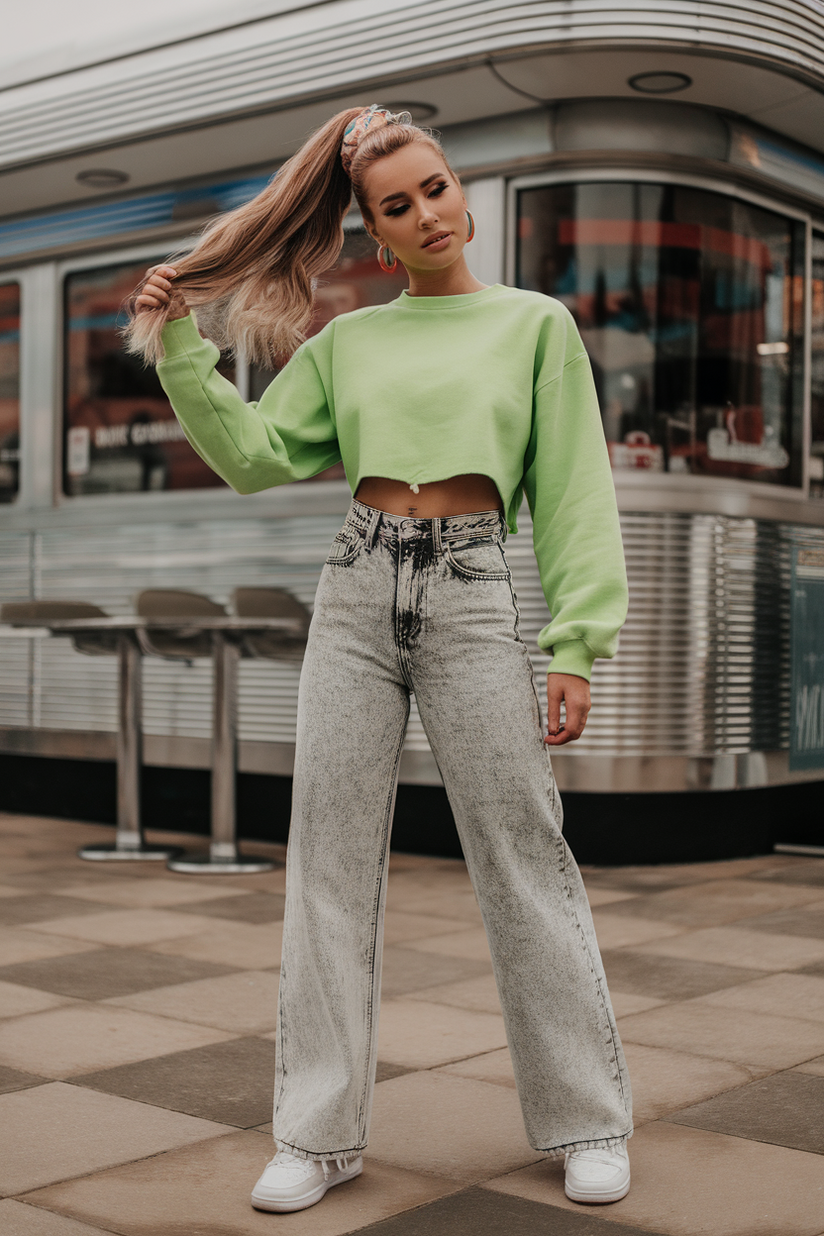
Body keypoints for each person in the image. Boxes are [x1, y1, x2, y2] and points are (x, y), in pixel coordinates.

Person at [128, 104, 633, 1213]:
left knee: (520, 855)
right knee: (327, 860)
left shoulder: (534, 326)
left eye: (436, 189)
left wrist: (576, 644)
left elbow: (572, 497)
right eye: (396, 206)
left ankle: (587, 1120)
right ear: (371, 231)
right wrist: (178, 346)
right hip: (355, 591)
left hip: (472, 589)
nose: (427, 215)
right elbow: (256, 456)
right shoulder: (347, 343)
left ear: (460, 190)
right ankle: (315, 1136)